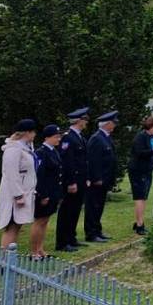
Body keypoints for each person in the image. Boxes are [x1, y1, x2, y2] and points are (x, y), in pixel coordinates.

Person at [0, 118, 38, 251]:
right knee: (11, 226)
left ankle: (11, 258)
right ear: (27, 133)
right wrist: (18, 195)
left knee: (17, 225)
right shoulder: (13, 149)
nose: (35, 135)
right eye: (33, 132)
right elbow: (11, 174)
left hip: (25, 192)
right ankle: (5, 261)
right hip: (14, 195)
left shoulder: (25, 148)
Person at [55, 106, 90, 253]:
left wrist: (86, 178)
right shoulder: (68, 137)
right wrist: (71, 182)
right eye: (85, 119)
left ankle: (71, 237)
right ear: (79, 121)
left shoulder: (80, 137)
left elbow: (84, 160)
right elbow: (67, 162)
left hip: (80, 180)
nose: (87, 122)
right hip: (72, 181)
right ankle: (62, 242)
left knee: (75, 210)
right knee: (67, 210)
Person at [30, 124, 64, 259]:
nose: (58, 139)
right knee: (39, 221)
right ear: (47, 138)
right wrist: (43, 194)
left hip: (53, 192)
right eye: (56, 137)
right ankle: (33, 252)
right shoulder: (41, 152)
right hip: (44, 193)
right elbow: (40, 176)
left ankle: (40, 249)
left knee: (45, 221)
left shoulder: (53, 151)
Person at [84, 111, 118, 243]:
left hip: (105, 179)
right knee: (93, 206)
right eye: (113, 123)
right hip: (97, 180)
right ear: (108, 124)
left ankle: (97, 230)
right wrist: (96, 178)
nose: (115, 125)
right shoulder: (96, 138)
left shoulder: (106, 137)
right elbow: (93, 161)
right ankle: (91, 233)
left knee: (99, 206)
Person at [128, 116, 153, 236]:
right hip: (138, 170)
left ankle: (139, 221)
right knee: (139, 197)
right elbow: (139, 152)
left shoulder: (150, 137)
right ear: (150, 127)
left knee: (144, 197)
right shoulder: (141, 137)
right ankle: (140, 225)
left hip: (146, 170)